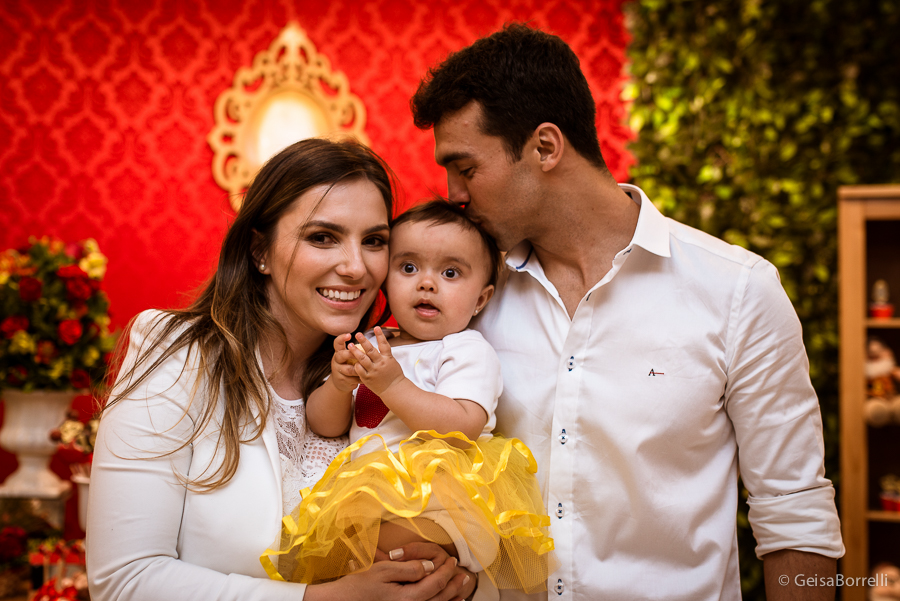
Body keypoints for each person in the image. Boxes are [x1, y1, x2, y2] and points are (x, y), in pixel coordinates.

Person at [410, 23, 844, 601]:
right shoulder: (464, 299)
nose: (453, 193)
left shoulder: (737, 291)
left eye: (466, 168)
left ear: (545, 147)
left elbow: (794, 512)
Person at [85, 138, 476, 601]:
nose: (356, 267)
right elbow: (124, 580)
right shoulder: (178, 353)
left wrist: (453, 581)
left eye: (374, 242)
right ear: (259, 251)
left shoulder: (388, 371)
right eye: (322, 237)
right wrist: (325, 599)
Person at [262, 201, 556, 594]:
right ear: (386, 280)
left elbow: (463, 424)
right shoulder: (371, 343)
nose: (427, 283)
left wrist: (393, 386)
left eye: (450, 273)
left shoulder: (465, 349)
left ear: (481, 299)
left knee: (397, 555)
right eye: (409, 268)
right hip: (369, 496)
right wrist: (338, 384)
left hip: (443, 497)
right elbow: (324, 425)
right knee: (352, 563)